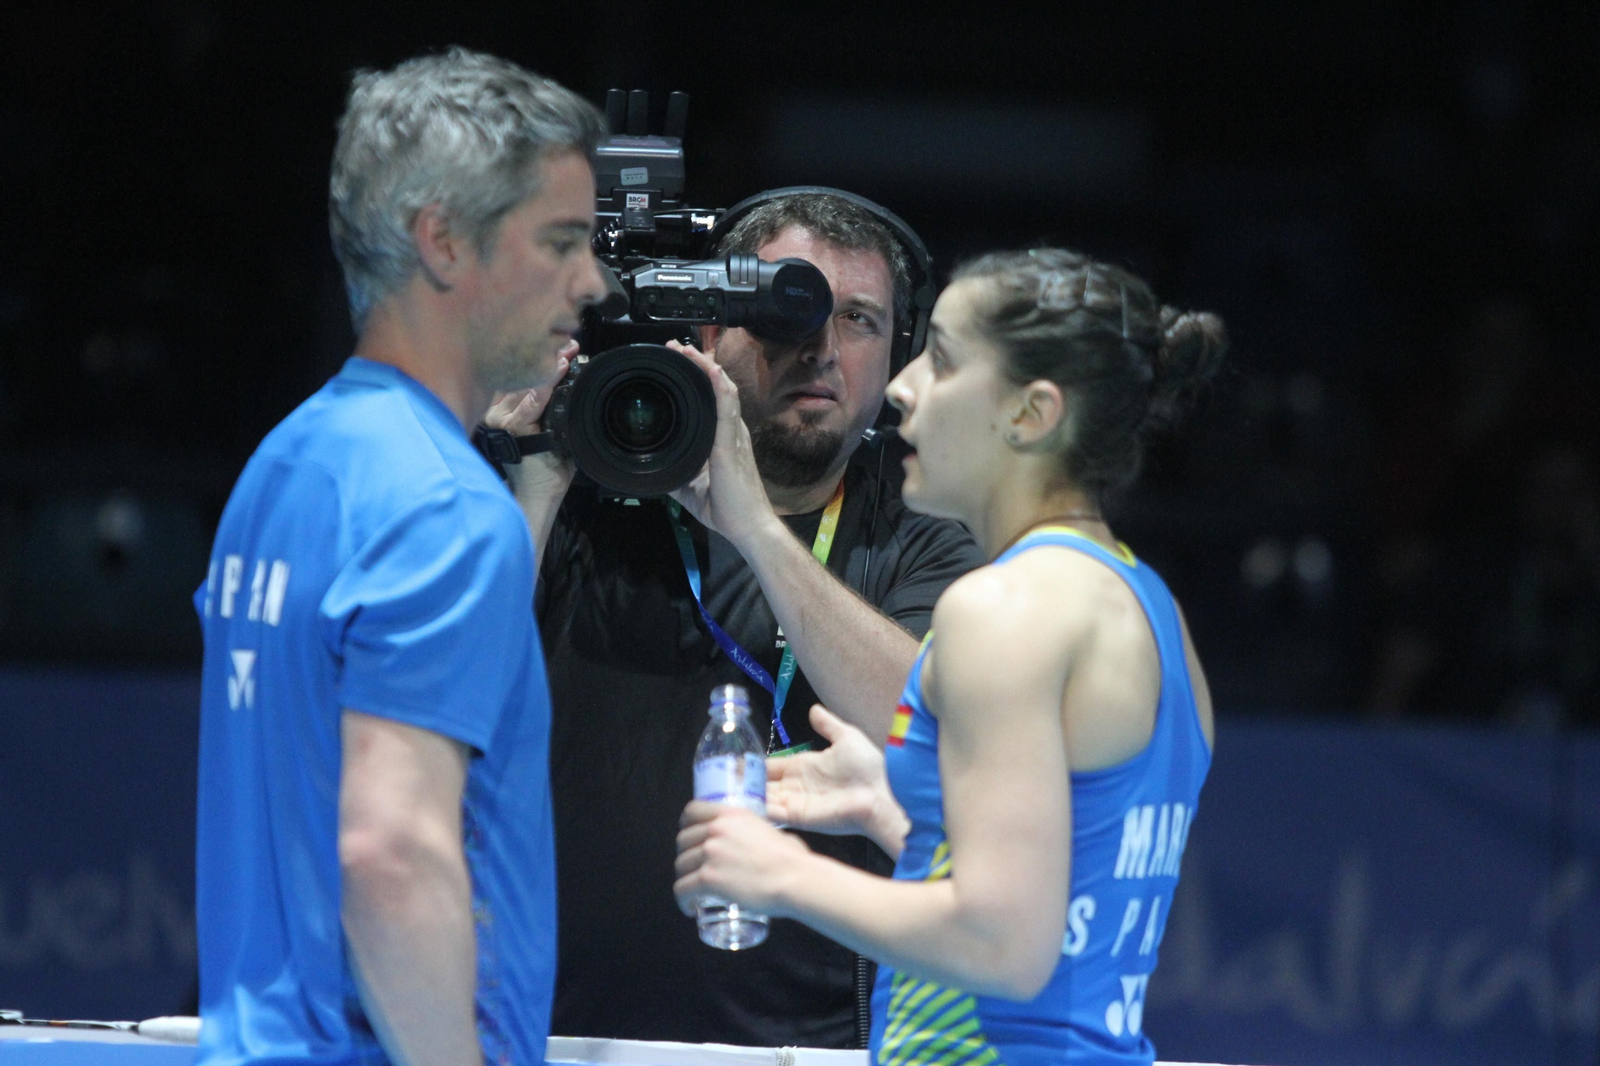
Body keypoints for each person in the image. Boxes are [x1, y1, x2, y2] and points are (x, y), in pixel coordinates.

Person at [674, 248, 1226, 1066]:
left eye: (943, 360)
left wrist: (780, 874)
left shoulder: (1002, 610)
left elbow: (1004, 944)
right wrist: (892, 812)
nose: (903, 387)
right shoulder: (1148, 606)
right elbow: (1068, 897)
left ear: (1031, 413)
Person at [491, 191, 985, 1047]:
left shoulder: (924, 529)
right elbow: (456, 701)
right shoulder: (583, 486)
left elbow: (923, 728)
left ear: (898, 351)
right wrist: (530, 477)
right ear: (710, 329)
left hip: (821, 1051)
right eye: (784, 307)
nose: (820, 347)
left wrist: (753, 525)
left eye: (859, 319)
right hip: (562, 1039)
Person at [192, 49, 607, 1066]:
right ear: (443, 241)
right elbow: (390, 854)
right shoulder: (444, 506)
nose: (591, 282)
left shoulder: (286, 463)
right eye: (560, 242)